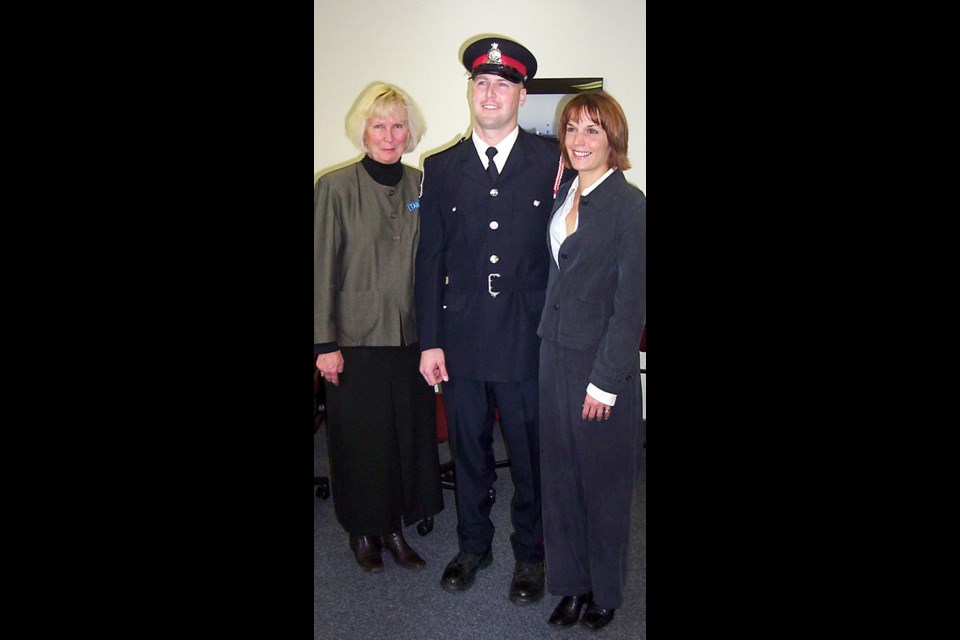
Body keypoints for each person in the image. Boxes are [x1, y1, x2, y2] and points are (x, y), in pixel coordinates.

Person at [415, 36, 562, 603]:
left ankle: (531, 552)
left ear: (522, 96)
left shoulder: (551, 161)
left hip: (529, 336)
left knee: (529, 454)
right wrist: (430, 341)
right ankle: (474, 545)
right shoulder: (442, 167)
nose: (491, 92)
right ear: (471, 91)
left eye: (504, 83)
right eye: (482, 82)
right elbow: (429, 261)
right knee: (470, 451)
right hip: (464, 336)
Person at [315, 82, 443, 574]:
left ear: (409, 132)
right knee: (360, 440)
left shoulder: (420, 186)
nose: (389, 135)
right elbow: (321, 267)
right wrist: (323, 343)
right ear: (362, 131)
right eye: (379, 125)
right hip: (353, 339)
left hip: (410, 337)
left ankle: (394, 529)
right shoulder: (334, 187)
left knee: (403, 437)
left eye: (397, 125)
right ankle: (362, 530)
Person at [536, 91, 646, 631]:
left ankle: (605, 592)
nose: (579, 141)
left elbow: (631, 305)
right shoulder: (564, 192)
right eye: (572, 129)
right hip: (553, 354)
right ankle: (572, 585)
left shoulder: (631, 205)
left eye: (592, 131)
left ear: (613, 141)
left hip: (600, 365)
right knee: (559, 479)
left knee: (602, 485)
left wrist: (606, 382)